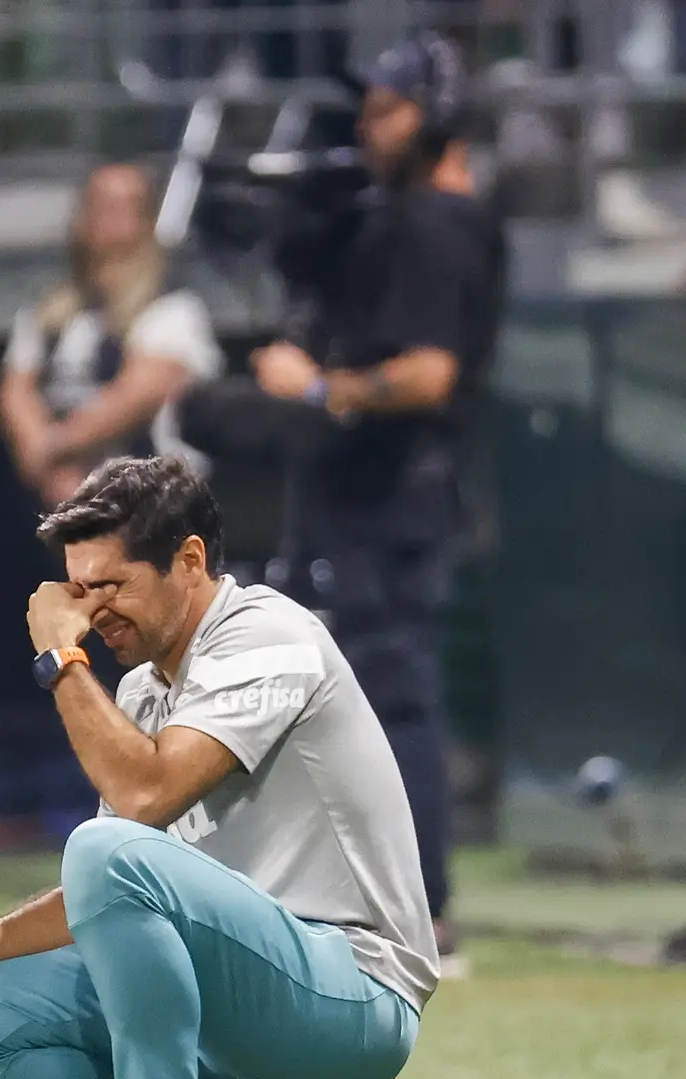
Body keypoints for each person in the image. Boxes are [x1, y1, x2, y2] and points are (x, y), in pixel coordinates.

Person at [0, 456, 436, 1079]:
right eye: (77, 588)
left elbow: (139, 810)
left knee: (107, 845)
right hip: (240, 995)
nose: (89, 610)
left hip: (351, 999)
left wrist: (59, 663)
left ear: (189, 561)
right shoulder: (145, 691)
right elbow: (109, 893)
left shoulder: (269, 635)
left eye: (110, 586)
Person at [246, 32, 504, 968]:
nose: (367, 130)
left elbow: (429, 374)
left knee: (393, 701)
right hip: (387, 497)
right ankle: (388, 902)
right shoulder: (409, 220)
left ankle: (423, 912)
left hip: (398, 498)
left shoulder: (436, 225)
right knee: (370, 699)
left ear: (436, 117)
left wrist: (315, 388)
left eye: (388, 110)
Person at [0, 162, 222, 509]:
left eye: (125, 208)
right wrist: (49, 468)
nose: (111, 221)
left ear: (147, 220)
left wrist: (51, 448)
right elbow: (17, 391)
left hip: (151, 506)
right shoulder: (48, 315)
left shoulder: (172, 309)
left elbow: (137, 395)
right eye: (101, 206)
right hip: (63, 497)